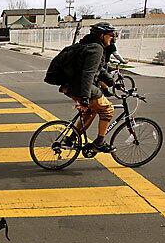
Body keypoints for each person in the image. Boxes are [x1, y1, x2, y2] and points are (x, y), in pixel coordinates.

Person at [44, 22, 118, 153]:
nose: (112, 38)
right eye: (111, 35)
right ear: (102, 35)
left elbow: (99, 69)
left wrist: (112, 82)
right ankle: (100, 142)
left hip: (70, 85)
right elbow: (88, 73)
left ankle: (71, 138)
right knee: (108, 109)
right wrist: (85, 97)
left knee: (92, 111)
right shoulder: (97, 48)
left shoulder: (85, 45)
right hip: (80, 86)